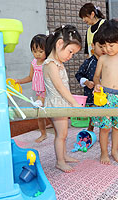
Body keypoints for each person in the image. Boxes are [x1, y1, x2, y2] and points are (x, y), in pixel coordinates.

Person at [91, 19, 118, 165]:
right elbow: (96, 77)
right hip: (105, 97)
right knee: (104, 128)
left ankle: (114, 151)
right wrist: (97, 85)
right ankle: (104, 153)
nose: (108, 49)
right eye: (104, 45)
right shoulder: (102, 59)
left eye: (111, 45)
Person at [43, 25, 82, 172]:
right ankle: (60, 161)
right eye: (70, 51)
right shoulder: (51, 64)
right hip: (56, 104)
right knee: (61, 135)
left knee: (63, 134)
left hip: (61, 103)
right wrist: (74, 103)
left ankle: (64, 155)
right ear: (59, 44)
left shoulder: (58, 63)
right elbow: (60, 87)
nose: (70, 56)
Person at [15, 34, 50, 143]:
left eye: (40, 51)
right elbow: (30, 77)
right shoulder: (34, 63)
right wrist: (19, 81)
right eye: (34, 51)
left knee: (51, 113)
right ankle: (43, 133)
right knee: (40, 114)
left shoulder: (48, 63)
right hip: (39, 92)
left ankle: (55, 128)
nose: (37, 54)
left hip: (48, 91)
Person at [75, 32, 106, 132]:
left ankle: (104, 130)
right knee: (93, 113)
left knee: (105, 114)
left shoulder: (109, 62)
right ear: (93, 46)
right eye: (100, 46)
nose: (103, 50)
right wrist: (86, 82)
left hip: (105, 94)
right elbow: (78, 74)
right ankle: (90, 130)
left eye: (105, 46)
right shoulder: (89, 62)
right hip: (91, 94)